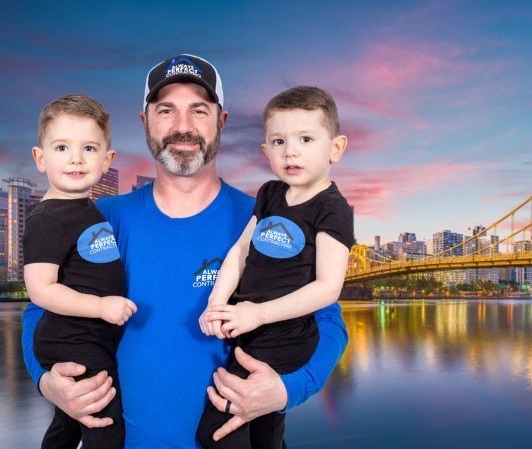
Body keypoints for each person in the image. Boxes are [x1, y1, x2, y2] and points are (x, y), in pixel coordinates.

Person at [21, 54, 348, 448]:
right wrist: (47, 381)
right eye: (165, 110)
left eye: (198, 109)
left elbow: (326, 318)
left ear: (220, 121)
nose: (182, 126)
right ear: (145, 122)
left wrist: (287, 389)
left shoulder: (264, 219)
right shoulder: (98, 218)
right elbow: (41, 306)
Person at [196, 86, 353, 448]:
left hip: (285, 336)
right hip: (253, 329)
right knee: (264, 434)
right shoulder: (269, 194)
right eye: (278, 141)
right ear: (266, 150)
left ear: (336, 149)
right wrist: (216, 304)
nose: (291, 150)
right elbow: (239, 253)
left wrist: (258, 315)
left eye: (306, 138)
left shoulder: (333, 210)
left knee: (217, 432)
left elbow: (329, 287)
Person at [25, 95, 134, 449]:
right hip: (71, 339)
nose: (75, 158)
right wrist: (101, 307)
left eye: (88, 148)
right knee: (105, 424)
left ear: (107, 160)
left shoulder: (87, 209)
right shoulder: (48, 218)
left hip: (90, 338)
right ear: (40, 159)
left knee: (70, 422)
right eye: (61, 147)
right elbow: (41, 289)